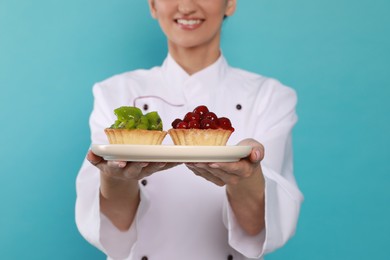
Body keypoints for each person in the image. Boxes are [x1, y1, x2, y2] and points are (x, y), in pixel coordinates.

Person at [75, 0, 303, 259]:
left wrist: (247, 178)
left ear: (230, 4)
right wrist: (115, 177)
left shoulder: (270, 97)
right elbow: (114, 231)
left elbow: (257, 229)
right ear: (152, 5)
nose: (185, 6)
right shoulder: (114, 92)